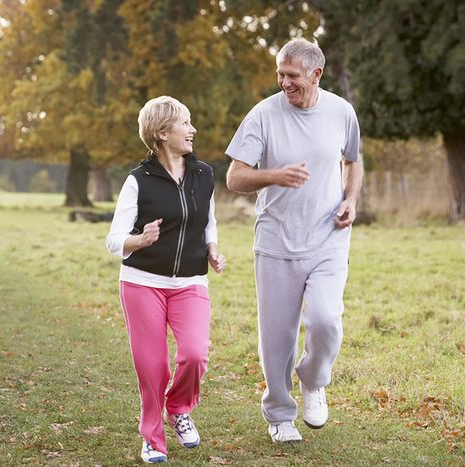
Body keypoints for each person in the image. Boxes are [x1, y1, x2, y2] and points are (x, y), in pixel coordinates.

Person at [225, 38, 363, 443]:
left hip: (328, 236)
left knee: (325, 320)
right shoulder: (263, 115)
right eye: (280, 74)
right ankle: (280, 415)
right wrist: (274, 175)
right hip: (276, 240)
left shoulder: (342, 111)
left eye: (292, 76)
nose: (284, 82)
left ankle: (314, 380)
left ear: (316, 74)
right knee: (277, 336)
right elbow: (234, 177)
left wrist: (351, 199)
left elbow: (353, 160)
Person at [106, 96, 226, 463]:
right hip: (142, 282)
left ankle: (179, 408)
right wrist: (140, 240)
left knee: (194, 354)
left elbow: (208, 220)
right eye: (185, 123)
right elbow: (114, 240)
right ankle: (152, 437)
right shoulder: (138, 181)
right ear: (162, 132)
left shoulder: (204, 174)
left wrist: (212, 249)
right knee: (152, 365)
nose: (193, 130)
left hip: (190, 282)